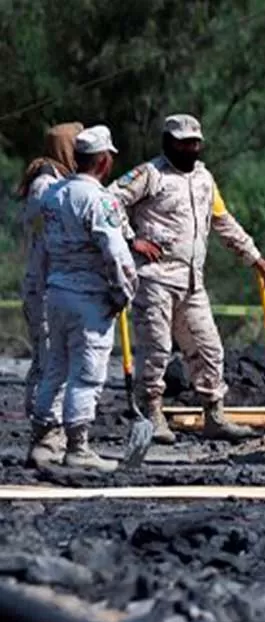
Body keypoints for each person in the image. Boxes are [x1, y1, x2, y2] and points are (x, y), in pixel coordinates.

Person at [109, 114, 265, 445]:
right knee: (156, 349)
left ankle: (214, 415)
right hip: (155, 278)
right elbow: (110, 200)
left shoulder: (204, 179)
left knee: (208, 348)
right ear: (168, 142)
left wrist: (253, 255)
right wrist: (131, 239)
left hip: (192, 282)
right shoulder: (150, 174)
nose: (191, 149)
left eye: (195, 143)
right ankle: (152, 414)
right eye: (184, 143)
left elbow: (222, 220)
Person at [29, 125, 137, 471]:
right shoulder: (100, 199)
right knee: (86, 373)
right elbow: (116, 253)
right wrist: (123, 293)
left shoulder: (52, 194)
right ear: (104, 161)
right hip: (90, 296)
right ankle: (78, 446)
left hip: (56, 292)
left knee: (55, 368)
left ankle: (44, 439)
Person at [17, 122, 84, 430]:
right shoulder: (45, 183)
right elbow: (44, 223)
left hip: (53, 281)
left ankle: (40, 415)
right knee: (49, 358)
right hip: (43, 283)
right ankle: (44, 424)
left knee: (49, 357)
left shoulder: (60, 179)